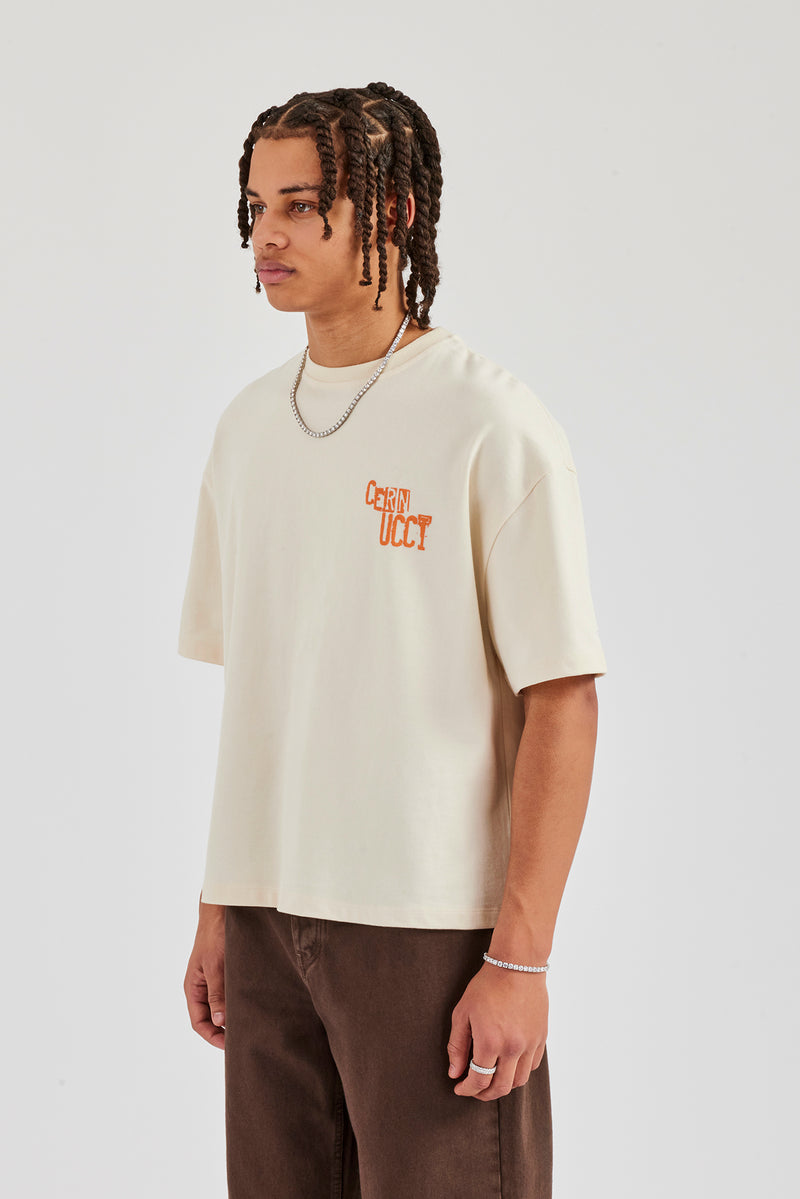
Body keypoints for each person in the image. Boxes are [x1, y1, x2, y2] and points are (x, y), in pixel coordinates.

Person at [178, 82, 607, 1199]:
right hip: (269, 921)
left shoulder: (489, 424)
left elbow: (562, 698)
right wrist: (222, 899)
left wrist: (518, 957)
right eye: (257, 205)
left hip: (426, 928)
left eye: (302, 204)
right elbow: (263, 693)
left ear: (394, 211)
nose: (268, 235)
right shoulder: (245, 430)